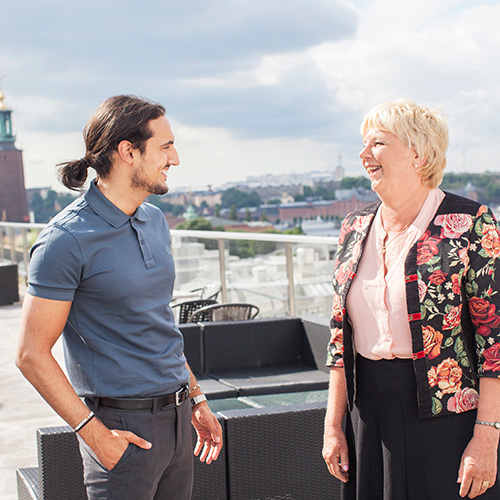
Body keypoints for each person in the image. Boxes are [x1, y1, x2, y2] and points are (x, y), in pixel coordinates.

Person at [16, 94, 223, 500]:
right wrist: (95, 436)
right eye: (165, 147)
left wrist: (196, 396)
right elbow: (30, 354)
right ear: (127, 151)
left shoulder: (155, 219)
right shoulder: (66, 239)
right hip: (121, 430)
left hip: (180, 421)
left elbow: (156, 321)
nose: (175, 158)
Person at [322, 98, 500, 500]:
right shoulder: (354, 226)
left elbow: (496, 340)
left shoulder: (471, 222)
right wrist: (334, 426)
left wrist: (487, 438)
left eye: (377, 143)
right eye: (364, 144)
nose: (363, 154)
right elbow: (339, 338)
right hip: (367, 412)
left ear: (418, 154)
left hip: (447, 418)